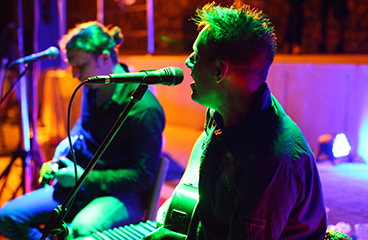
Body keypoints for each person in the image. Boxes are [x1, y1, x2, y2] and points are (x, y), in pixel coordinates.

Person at [144, 2, 327, 240]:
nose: (188, 62)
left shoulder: (270, 161)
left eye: (197, 55)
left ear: (220, 71)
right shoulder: (222, 114)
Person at [0, 21, 165, 239]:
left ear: (105, 58)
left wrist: (82, 180)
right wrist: (62, 154)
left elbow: (142, 176)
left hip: (121, 195)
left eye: (80, 66)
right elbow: (83, 128)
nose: (75, 74)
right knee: (8, 216)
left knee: (80, 230)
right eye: (72, 66)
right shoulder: (93, 87)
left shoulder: (144, 109)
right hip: (80, 183)